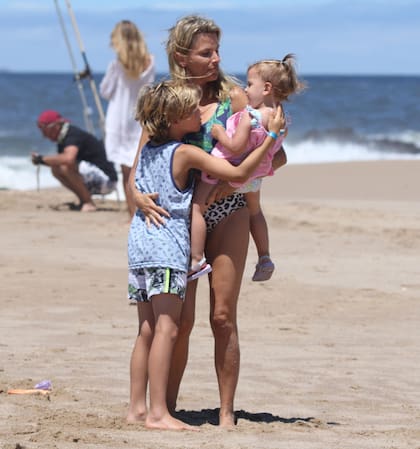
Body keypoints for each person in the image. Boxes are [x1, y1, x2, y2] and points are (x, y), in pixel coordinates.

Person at [128, 14, 287, 427]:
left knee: (222, 315)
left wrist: (231, 188)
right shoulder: (170, 103)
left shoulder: (236, 96)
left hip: (229, 208)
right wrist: (137, 197)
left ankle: (227, 412)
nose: (216, 59)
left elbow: (277, 157)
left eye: (217, 49)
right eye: (206, 52)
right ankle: (166, 407)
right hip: (180, 218)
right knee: (179, 321)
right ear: (183, 56)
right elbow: (138, 168)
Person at [191, 54, 305, 282]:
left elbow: (235, 146)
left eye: (250, 84)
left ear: (266, 88)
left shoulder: (250, 117)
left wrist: (219, 133)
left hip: (227, 169)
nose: (246, 89)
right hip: (255, 177)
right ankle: (264, 257)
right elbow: (274, 151)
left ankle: (196, 259)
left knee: (196, 209)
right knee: (255, 213)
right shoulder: (281, 121)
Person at [100, 20, 155, 217]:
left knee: (126, 173)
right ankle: (142, 211)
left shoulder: (116, 65)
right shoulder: (150, 61)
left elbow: (105, 91)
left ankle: (133, 215)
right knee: (141, 169)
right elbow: (148, 91)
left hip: (119, 121)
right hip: (139, 119)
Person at [32, 110, 118, 212]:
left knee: (64, 166)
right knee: (56, 169)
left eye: (44, 130)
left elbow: (69, 158)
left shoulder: (72, 134)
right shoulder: (63, 137)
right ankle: (84, 200)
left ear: (55, 126)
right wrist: (41, 161)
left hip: (107, 180)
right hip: (98, 178)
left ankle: (88, 202)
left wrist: (42, 159)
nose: (44, 136)